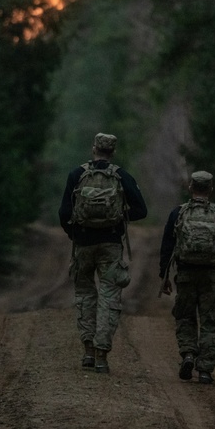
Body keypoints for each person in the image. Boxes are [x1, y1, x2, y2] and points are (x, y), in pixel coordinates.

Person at [59, 132, 148, 374]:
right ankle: (101, 355)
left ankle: (87, 350)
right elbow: (141, 210)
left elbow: (64, 213)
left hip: (84, 244)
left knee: (86, 295)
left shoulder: (77, 175)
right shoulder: (121, 176)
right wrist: (119, 217)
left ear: (93, 148)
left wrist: (75, 234)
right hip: (110, 244)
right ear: (113, 152)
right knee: (109, 297)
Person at [158, 170, 215, 384]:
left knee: (185, 316)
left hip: (185, 275)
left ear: (190, 187)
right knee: (210, 321)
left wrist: (164, 276)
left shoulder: (177, 213)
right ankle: (204, 369)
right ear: (210, 190)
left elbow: (167, 247)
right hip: (211, 276)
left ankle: (187, 353)